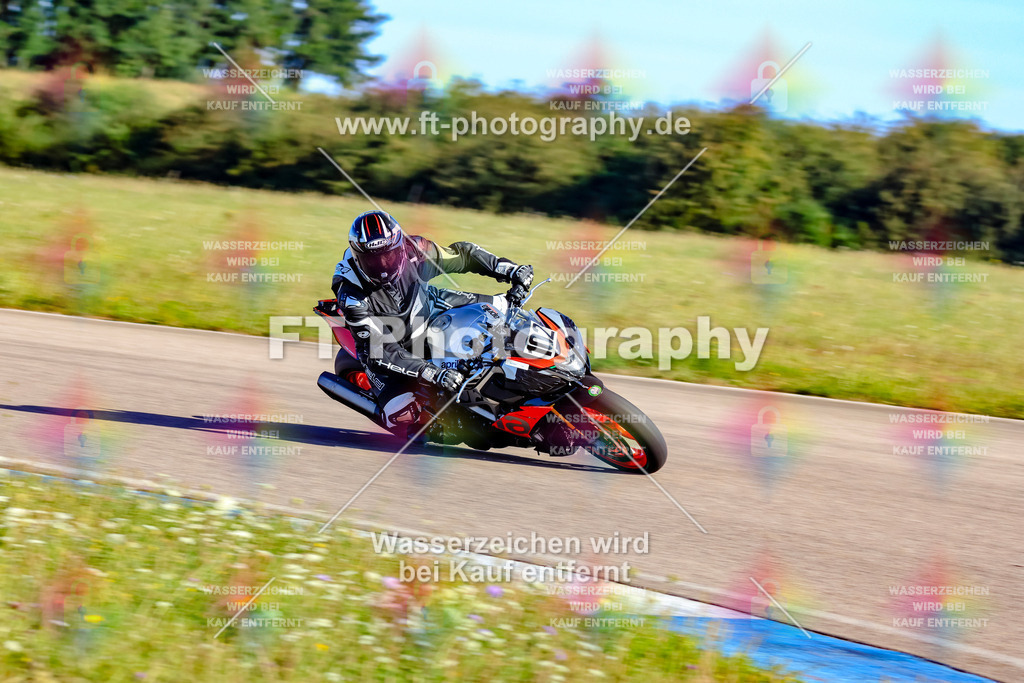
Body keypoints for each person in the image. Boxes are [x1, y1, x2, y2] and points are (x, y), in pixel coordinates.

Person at [332, 210, 534, 433]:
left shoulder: (415, 250)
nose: (382, 265)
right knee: (400, 414)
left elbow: (463, 256)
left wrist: (509, 269)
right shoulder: (351, 294)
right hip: (387, 348)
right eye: (372, 259)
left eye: (388, 255)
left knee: (502, 309)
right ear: (358, 256)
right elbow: (379, 350)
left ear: (399, 246)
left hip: (428, 307)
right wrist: (432, 372)